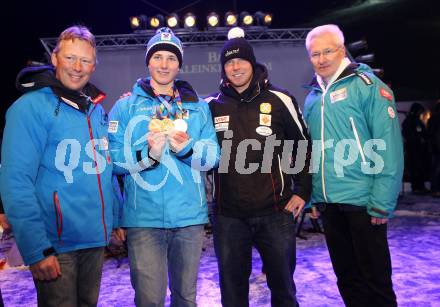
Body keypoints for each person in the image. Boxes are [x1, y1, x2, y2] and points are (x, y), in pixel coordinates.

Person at [0, 25, 115, 307]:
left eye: (86, 60)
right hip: (56, 245)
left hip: (94, 240)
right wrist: (37, 249)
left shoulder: (96, 110)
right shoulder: (29, 108)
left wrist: (118, 219)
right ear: (54, 58)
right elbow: (16, 182)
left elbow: (104, 169)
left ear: (94, 65)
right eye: (70, 58)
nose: (78, 67)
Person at [108, 27, 220, 307]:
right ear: (148, 61)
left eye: (171, 58)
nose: (164, 64)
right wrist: (148, 155)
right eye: (157, 57)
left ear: (179, 64)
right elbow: (114, 160)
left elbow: (212, 157)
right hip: (143, 220)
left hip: (188, 219)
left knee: (185, 298)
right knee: (149, 300)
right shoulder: (125, 107)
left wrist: (186, 150)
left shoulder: (198, 107)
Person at [207, 27, 311, 307]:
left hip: (275, 214)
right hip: (228, 217)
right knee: (232, 294)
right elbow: (180, 118)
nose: (235, 66)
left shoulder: (280, 99)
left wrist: (302, 190)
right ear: (223, 68)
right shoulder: (211, 106)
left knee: (284, 291)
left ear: (252, 63)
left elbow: (302, 143)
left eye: (241, 60)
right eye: (229, 62)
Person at [303, 24, 403, 307]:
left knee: (376, 282)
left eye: (327, 52)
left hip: (364, 202)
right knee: (347, 279)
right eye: (314, 54)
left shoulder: (367, 87)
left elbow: (389, 145)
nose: (321, 59)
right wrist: (312, 195)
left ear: (342, 50)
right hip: (328, 203)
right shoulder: (313, 97)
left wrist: (382, 200)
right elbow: (311, 150)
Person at [402, 102, 430, 193]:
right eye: (419, 111)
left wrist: (424, 140)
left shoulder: (418, 121)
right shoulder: (408, 122)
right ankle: (416, 187)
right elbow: (408, 135)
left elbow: (424, 133)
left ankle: (420, 186)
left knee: (421, 167)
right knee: (414, 168)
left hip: (420, 149)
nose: (420, 114)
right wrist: (417, 140)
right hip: (412, 149)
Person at [428, 102, 440, 197]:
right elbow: (433, 134)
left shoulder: (433, 118)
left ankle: (435, 189)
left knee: (436, 168)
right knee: (436, 168)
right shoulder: (435, 118)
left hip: (435, 146)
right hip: (436, 147)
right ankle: (435, 189)